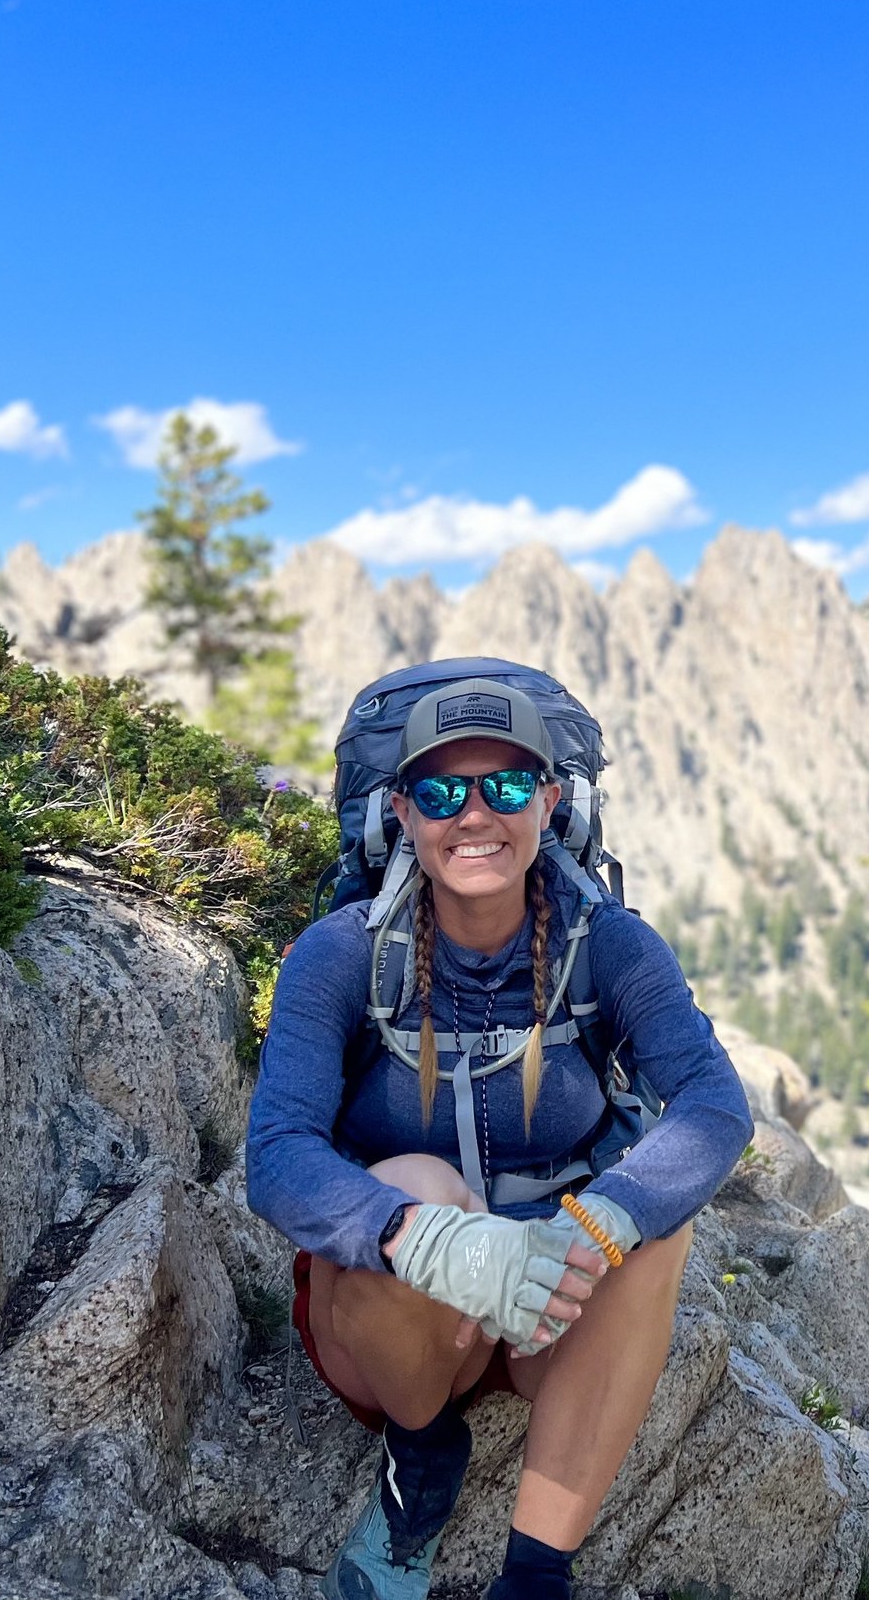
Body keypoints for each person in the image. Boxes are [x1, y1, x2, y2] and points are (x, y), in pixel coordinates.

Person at [246, 675, 752, 1600]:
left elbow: (716, 1108)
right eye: (440, 792)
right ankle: (425, 1456)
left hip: (550, 1307)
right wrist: (423, 1235)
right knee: (420, 1180)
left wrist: (601, 1220)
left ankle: (534, 1573)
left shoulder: (611, 946)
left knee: (656, 1226)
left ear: (552, 802)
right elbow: (277, 1155)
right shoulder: (344, 952)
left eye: (507, 787)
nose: (474, 814)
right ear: (400, 812)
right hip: (395, 1327)